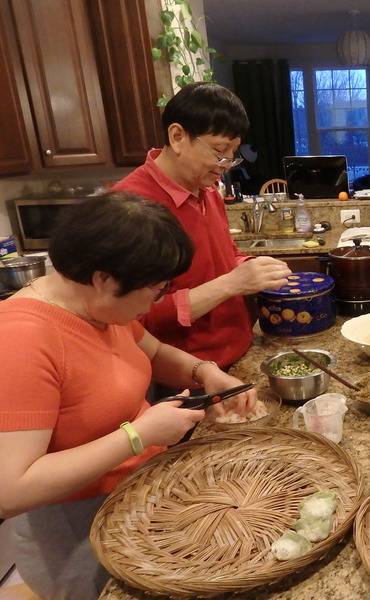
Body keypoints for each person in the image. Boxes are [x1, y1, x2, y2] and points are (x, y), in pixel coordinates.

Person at [0, 192, 257, 600]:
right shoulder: (20, 339)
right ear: (104, 278)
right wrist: (138, 435)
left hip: (139, 497)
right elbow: (11, 490)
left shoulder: (98, 308)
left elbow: (152, 352)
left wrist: (205, 371)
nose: (157, 299)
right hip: (77, 531)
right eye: (155, 289)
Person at [114, 82, 292, 372]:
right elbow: (129, 319)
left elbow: (223, 258)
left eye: (232, 153)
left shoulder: (208, 191)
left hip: (238, 356)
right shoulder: (129, 208)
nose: (226, 164)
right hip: (184, 374)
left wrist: (254, 268)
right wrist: (231, 284)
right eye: (219, 151)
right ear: (177, 136)